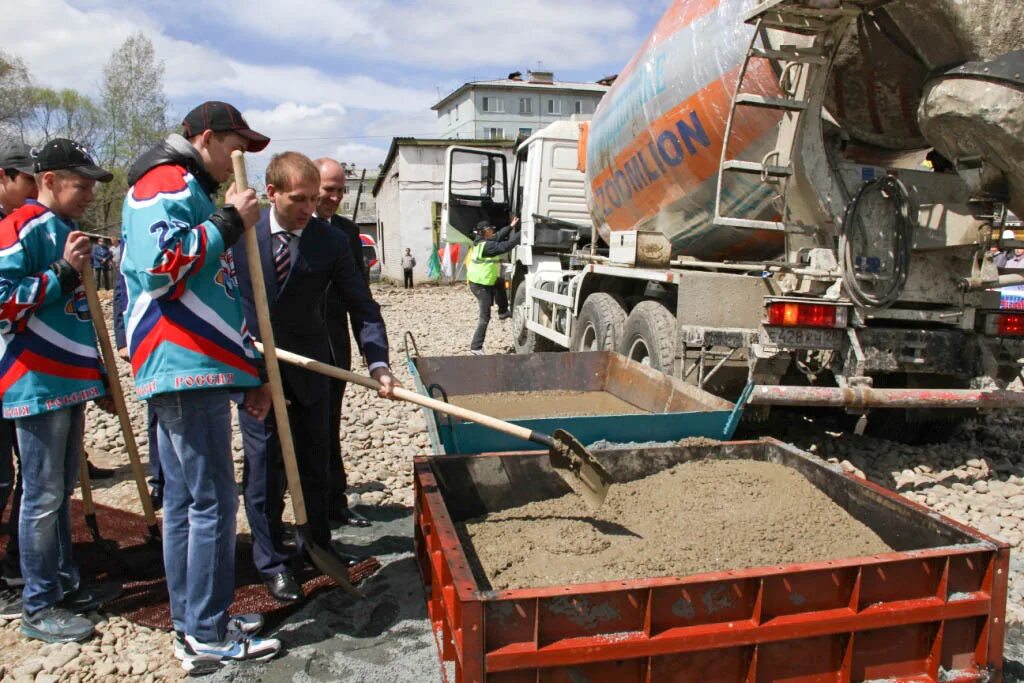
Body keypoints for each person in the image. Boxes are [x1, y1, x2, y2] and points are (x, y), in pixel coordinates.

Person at [120, 101, 279, 671]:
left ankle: (194, 623)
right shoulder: (164, 183)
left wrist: (249, 371)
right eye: (235, 147)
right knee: (210, 501)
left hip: (192, 367)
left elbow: (213, 294)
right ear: (207, 138)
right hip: (184, 366)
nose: (239, 160)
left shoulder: (184, 186)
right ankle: (208, 634)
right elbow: (160, 264)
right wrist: (230, 221)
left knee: (189, 503)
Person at [233, 152, 397, 605]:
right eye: (298, 199)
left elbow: (362, 306)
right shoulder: (240, 234)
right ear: (272, 193)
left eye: (313, 198)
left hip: (312, 367)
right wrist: (245, 367)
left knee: (315, 466)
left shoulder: (329, 241)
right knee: (264, 470)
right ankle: (272, 562)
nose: (310, 208)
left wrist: (378, 363)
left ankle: (317, 546)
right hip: (257, 372)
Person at [0, 138, 122, 642]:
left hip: (69, 379)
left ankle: (64, 581)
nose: (90, 193)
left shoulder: (67, 229)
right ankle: (39, 601)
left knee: (59, 491)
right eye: (81, 183)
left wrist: (98, 378)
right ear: (48, 180)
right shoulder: (20, 226)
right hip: (34, 379)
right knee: (42, 496)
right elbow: (3, 301)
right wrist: (60, 272)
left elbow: (78, 316)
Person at [314, 157, 372, 527]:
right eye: (327, 190)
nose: (334, 197)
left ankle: (334, 502)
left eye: (339, 190)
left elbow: (359, 297)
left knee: (329, 424)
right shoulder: (284, 230)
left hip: (335, 344)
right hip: (293, 348)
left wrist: (371, 350)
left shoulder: (347, 234)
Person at [0, 140, 38, 617]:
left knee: (24, 476)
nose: (35, 188)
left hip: (16, 367)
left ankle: (19, 563)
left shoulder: (21, 228)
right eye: (28, 178)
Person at [112, 273, 162, 510]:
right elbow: (122, 289)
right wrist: (122, 338)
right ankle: (160, 482)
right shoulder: (133, 236)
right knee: (156, 415)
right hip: (148, 335)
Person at [468, 217, 520, 354]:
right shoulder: (487, 247)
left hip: (484, 281)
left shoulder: (482, 241)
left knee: (500, 283)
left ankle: (503, 312)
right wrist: (523, 234)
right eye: (490, 230)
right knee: (485, 317)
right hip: (480, 285)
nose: (493, 231)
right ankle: (476, 347)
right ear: (484, 232)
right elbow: (506, 246)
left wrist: (510, 226)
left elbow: (498, 236)